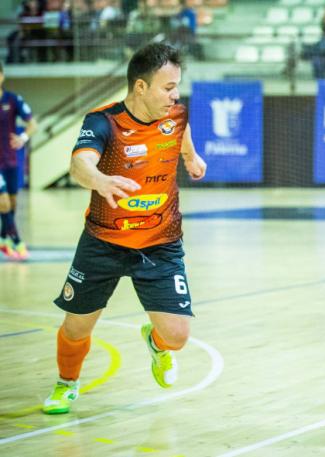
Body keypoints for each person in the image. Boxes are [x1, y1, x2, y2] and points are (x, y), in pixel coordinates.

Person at [42, 42, 207, 414]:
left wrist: (192, 158)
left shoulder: (174, 115)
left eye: (177, 86)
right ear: (141, 88)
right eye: (168, 88)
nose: (175, 95)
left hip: (160, 242)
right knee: (75, 329)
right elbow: (79, 165)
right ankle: (66, 383)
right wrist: (100, 180)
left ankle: (156, 343)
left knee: (177, 337)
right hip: (103, 242)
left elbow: (180, 130)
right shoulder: (103, 121)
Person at [0, 62, 38, 260]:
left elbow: (32, 124)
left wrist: (22, 138)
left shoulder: (12, 100)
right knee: (3, 201)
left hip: (10, 160)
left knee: (11, 203)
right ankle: (16, 241)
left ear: (2, 76)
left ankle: (3, 239)